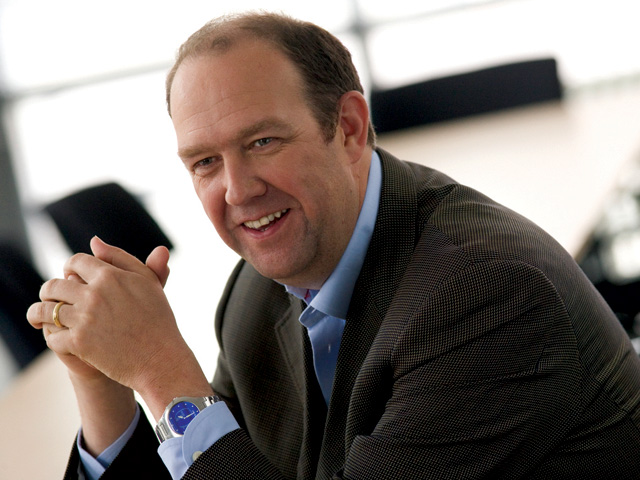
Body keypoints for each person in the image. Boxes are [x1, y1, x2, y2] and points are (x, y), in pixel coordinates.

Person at [28, 12, 640, 480]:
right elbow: (218, 463)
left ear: (348, 128)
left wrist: (163, 376)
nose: (237, 190)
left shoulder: (488, 294)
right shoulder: (257, 289)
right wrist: (104, 380)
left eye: (263, 142)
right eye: (205, 162)